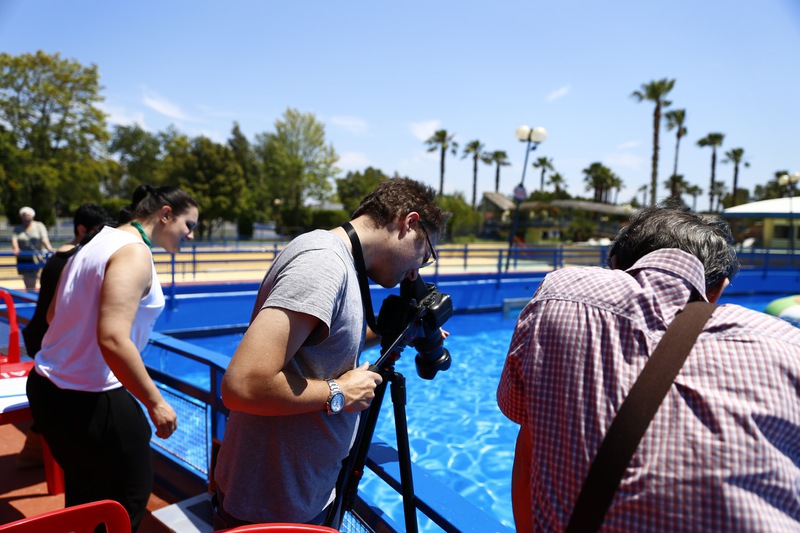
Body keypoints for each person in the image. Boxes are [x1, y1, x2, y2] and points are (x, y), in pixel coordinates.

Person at [497, 205, 800, 531]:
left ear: (616, 265)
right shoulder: (787, 345)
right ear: (719, 289)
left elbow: (526, 438)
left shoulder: (559, 294)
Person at [213, 178, 448, 528]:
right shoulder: (323, 263)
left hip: (294, 494)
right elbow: (242, 385)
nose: (415, 272)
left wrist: (397, 331)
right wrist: (340, 393)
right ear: (409, 223)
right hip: (271, 505)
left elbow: (322, 343)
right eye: (424, 255)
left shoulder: (341, 262)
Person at [26, 185, 199, 532]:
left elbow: (52, 315)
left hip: (47, 388)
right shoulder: (134, 252)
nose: (191, 235)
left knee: (85, 497)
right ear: (166, 214)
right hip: (88, 397)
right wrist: (155, 402)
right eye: (189, 225)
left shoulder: (94, 242)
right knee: (126, 502)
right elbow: (113, 338)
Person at [22, 203, 113, 357]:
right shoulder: (77, 260)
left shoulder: (57, 257)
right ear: (82, 230)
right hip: (54, 344)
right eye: (99, 231)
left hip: (39, 335)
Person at [11, 206, 54, 290]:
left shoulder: (39, 225)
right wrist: (16, 248)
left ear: (32, 216)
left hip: (38, 256)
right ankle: (31, 293)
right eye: (24, 215)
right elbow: (14, 239)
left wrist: (49, 248)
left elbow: (44, 238)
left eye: (28, 215)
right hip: (25, 257)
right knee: (29, 281)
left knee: (44, 278)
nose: (26, 217)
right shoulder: (18, 228)